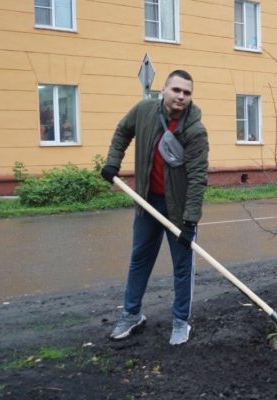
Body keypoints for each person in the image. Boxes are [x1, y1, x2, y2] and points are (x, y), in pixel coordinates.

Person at [100, 70, 209, 345]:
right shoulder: (144, 111)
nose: (181, 96)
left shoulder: (195, 130)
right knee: (140, 260)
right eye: (176, 90)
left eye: (186, 92)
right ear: (163, 90)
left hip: (179, 209)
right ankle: (131, 314)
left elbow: (198, 177)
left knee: (182, 267)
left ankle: (181, 321)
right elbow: (122, 131)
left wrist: (190, 220)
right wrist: (113, 161)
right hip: (147, 202)